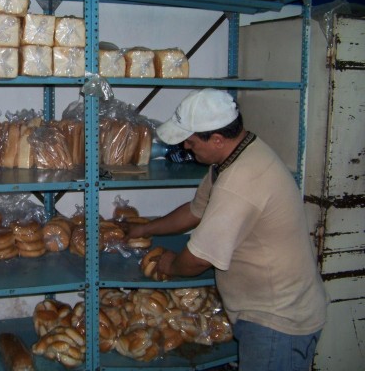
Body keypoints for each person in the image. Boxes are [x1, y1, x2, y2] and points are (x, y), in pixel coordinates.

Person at [126, 88, 328, 370]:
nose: (186, 147)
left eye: (191, 142)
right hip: (269, 311)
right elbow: (195, 211)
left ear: (217, 139)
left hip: (277, 322)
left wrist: (171, 265)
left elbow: (198, 259)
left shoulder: (241, 179)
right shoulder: (234, 157)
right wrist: (146, 228)